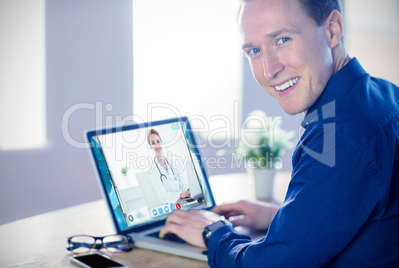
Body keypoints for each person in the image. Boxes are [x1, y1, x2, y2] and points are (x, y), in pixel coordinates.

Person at [159, 0, 399, 266]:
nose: (268, 70)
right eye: (254, 50)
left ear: (332, 29)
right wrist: (282, 217)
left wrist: (213, 231)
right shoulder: (385, 96)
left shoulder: (340, 133)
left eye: (283, 40)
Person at [147, 129, 191, 204]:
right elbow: (162, 196)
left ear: (161, 142)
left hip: (183, 201)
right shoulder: (152, 169)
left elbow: (182, 182)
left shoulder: (171, 161)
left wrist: (188, 191)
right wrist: (180, 195)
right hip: (170, 205)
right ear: (150, 146)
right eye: (153, 143)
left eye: (158, 141)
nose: (157, 145)